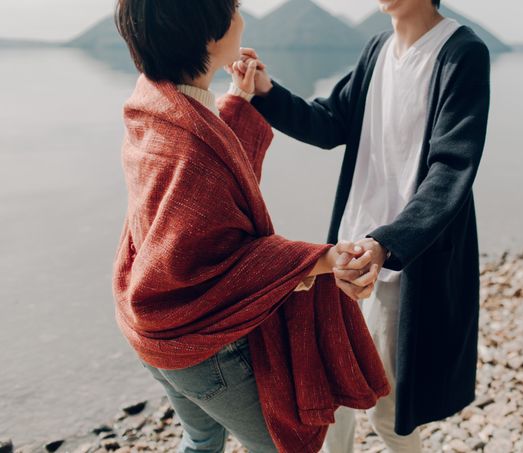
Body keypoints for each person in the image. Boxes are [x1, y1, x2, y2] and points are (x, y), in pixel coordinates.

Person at [111, 1, 390, 452]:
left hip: (152, 332)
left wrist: (239, 102)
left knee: (201, 439)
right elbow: (205, 253)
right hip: (199, 348)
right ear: (209, 35)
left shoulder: (156, 105)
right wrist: (320, 258)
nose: (243, 16)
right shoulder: (188, 143)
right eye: (236, 7)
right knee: (284, 447)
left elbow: (207, 192)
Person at [234, 0, 491, 450]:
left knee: (389, 413)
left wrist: (387, 244)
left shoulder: (461, 52)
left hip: (403, 260)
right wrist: (266, 92)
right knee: (334, 393)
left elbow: (451, 168)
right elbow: (331, 122)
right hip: (349, 250)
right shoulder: (377, 48)